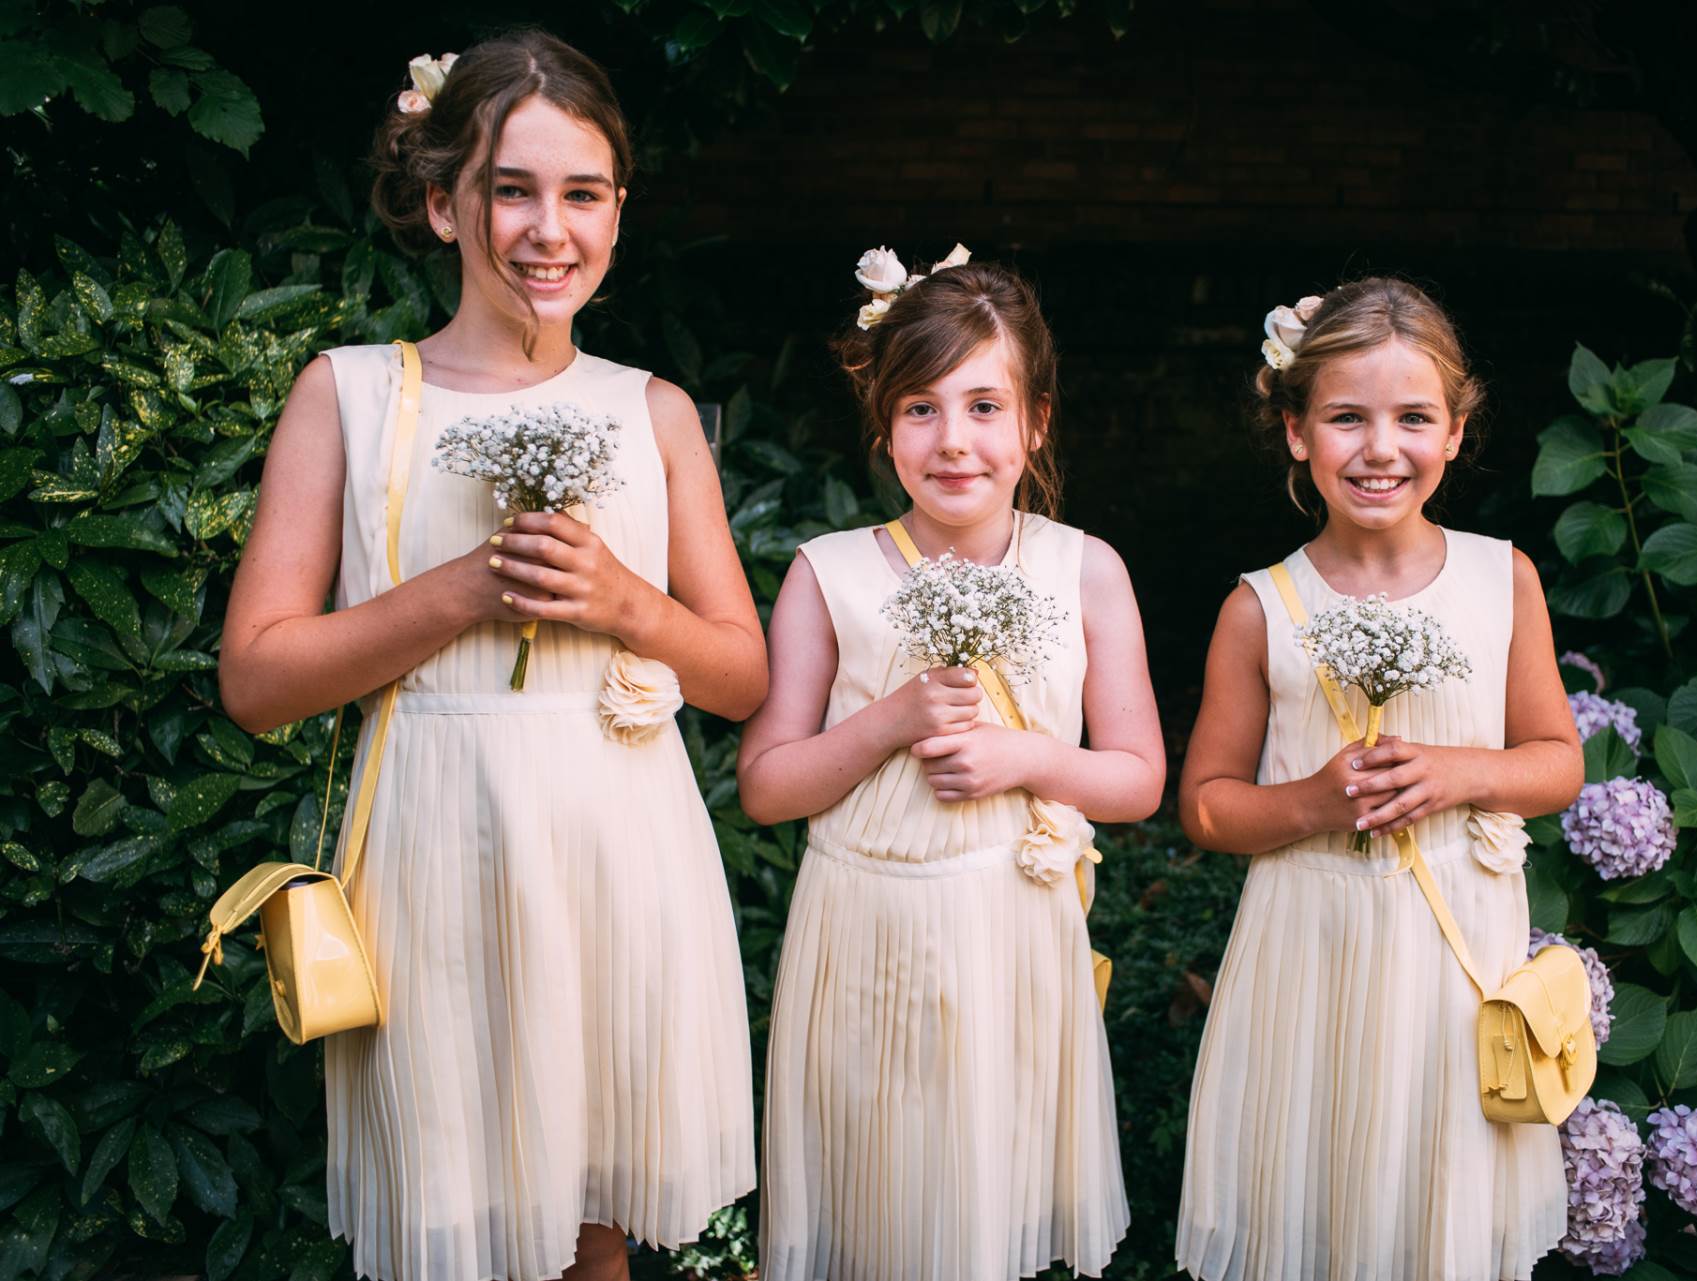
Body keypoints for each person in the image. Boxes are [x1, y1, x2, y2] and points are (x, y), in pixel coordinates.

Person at [217, 31, 762, 1281]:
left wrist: (627, 604)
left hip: (621, 851)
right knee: (454, 1220)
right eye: (512, 189)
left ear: (619, 211)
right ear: (441, 200)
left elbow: (739, 678)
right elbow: (256, 680)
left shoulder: (654, 414)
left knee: (592, 1234)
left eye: (582, 194)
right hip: (437, 849)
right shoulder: (347, 394)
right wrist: (461, 591)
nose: (546, 229)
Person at [739, 249, 1164, 1281]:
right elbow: (766, 787)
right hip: (863, 937)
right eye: (922, 409)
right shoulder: (828, 575)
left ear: (1037, 423)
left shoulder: (1085, 571)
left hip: (1012, 935)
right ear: (885, 427)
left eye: (985, 406)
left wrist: (1024, 756)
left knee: (990, 1212)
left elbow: (1139, 778)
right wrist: (889, 721)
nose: (955, 441)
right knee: (876, 1212)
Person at [1174, 278, 1584, 1281]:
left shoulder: (1502, 581)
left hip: (1452, 962)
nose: (1380, 448)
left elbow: (1558, 762)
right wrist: (1314, 800)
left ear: (1454, 432)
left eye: (1412, 418)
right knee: (1313, 1193)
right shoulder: (1263, 607)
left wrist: (1460, 771)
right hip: (1308, 953)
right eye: (1346, 418)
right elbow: (1206, 804)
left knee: (1431, 1200)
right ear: (1296, 433)